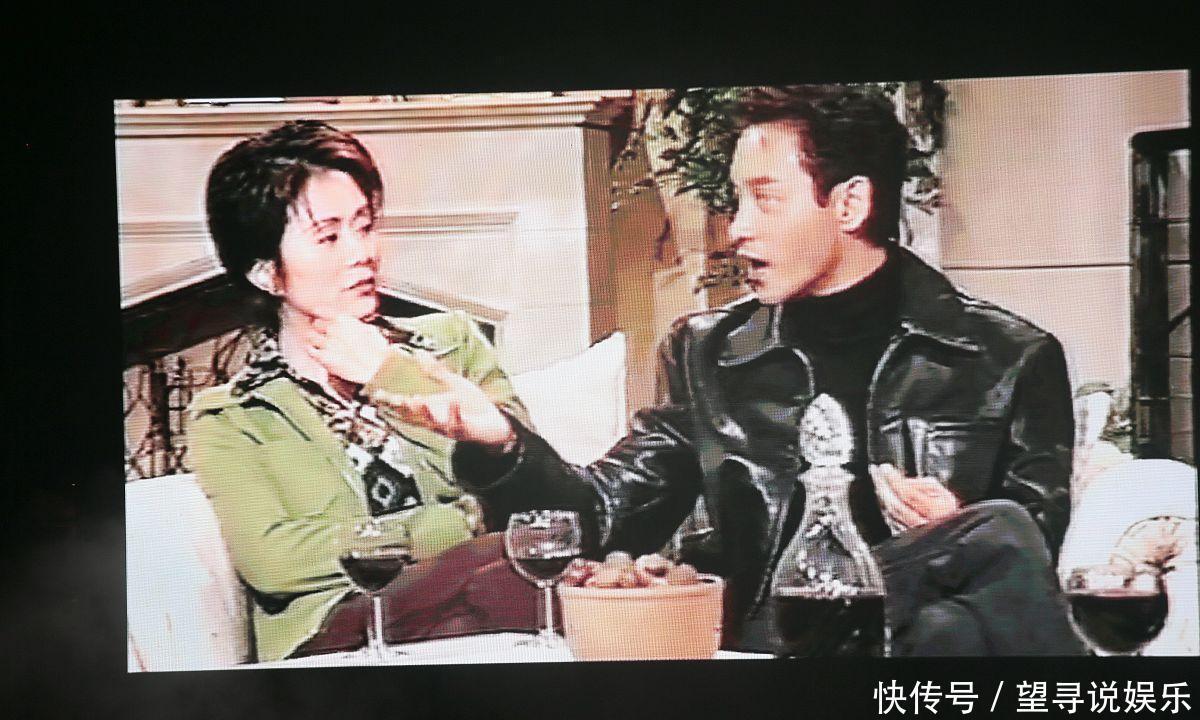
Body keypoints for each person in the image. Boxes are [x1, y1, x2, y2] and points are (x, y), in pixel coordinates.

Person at [392, 86, 1085, 655]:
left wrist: (952, 528)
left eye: (765, 198)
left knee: (973, 580)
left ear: (849, 203)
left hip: (921, 650)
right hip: (771, 646)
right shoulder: (709, 353)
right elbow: (606, 517)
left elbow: (1032, 567)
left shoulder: (1009, 358)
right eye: (736, 199)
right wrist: (498, 442)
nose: (738, 228)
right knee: (985, 558)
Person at [189, 120, 539, 663]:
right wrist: (463, 522)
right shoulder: (233, 416)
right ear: (266, 274)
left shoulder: (451, 344)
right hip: (336, 634)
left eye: (365, 226)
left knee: (522, 580)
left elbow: (534, 490)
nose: (362, 253)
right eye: (329, 237)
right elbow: (274, 560)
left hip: (481, 602)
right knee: (503, 571)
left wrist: (390, 373)